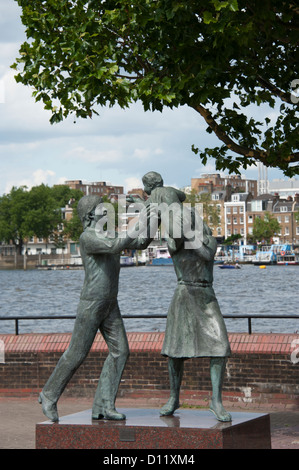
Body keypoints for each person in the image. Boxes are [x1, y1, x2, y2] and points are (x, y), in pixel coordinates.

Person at [38, 195, 132, 422]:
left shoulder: (109, 234)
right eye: (103, 208)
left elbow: (137, 242)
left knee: (121, 351)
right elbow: (118, 245)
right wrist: (138, 225)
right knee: (76, 353)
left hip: (110, 303)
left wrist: (153, 215)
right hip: (92, 302)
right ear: (91, 216)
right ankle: (49, 394)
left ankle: (104, 405)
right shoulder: (89, 237)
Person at [159, 217, 232, 422]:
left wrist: (190, 231)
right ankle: (174, 398)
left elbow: (206, 255)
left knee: (220, 347)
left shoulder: (209, 241)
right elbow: (173, 242)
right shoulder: (175, 242)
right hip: (183, 296)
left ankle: (216, 401)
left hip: (206, 296)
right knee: (175, 353)